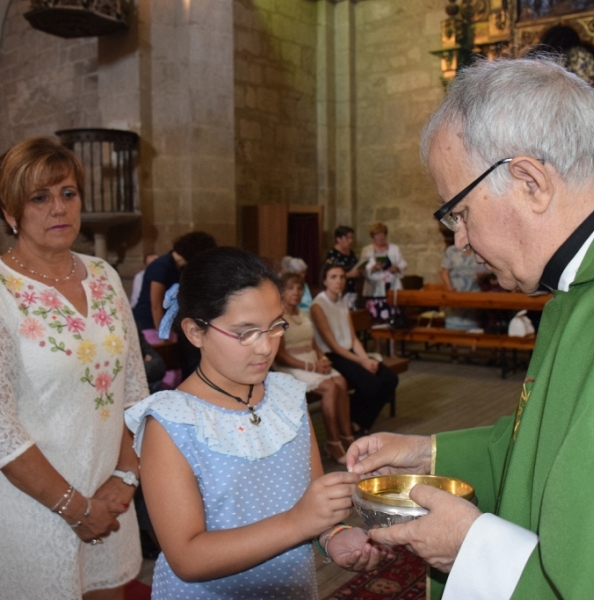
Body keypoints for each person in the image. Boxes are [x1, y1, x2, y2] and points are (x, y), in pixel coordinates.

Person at [347, 56, 594, 599]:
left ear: (530, 182)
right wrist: (427, 453)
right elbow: (548, 450)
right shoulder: (575, 289)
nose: (460, 241)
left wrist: (473, 549)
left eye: (459, 213)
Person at [124, 247, 391, 599]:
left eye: (275, 326)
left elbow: (310, 508)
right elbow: (187, 557)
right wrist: (298, 523)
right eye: (245, 332)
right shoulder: (172, 423)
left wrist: (334, 536)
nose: (265, 347)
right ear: (194, 331)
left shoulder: (287, 399)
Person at [0, 137, 148, 599]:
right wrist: (73, 507)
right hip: (35, 508)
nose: (58, 208)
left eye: (67, 193)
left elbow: (134, 387)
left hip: (110, 501)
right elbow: (1, 428)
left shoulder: (103, 274)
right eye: (39, 198)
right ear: (10, 214)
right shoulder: (2, 289)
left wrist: (125, 479)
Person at [273, 272, 354, 464]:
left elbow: (314, 343)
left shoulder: (303, 313)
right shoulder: (278, 317)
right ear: (281, 292)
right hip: (292, 366)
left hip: (313, 362)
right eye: (290, 288)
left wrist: (323, 360)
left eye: (300, 288)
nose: (296, 292)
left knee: (341, 382)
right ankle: (332, 443)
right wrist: (312, 366)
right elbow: (281, 355)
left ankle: (348, 438)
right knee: (330, 387)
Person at [311, 263, 398, 436]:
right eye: (333, 277)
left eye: (342, 277)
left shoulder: (342, 300)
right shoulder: (318, 305)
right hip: (331, 355)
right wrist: (362, 361)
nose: (339, 281)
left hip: (348, 352)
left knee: (389, 378)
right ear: (325, 281)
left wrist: (366, 359)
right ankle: (354, 422)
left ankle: (358, 421)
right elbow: (333, 345)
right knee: (371, 384)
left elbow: (353, 337)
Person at [133, 231, 217, 380]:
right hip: (149, 324)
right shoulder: (161, 266)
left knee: (177, 371)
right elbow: (156, 305)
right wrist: (163, 334)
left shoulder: (179, 267)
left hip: (167, 323)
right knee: (166, 374)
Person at [359, 222, 407, 321]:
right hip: (374, 288)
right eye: (377, 235)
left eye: (383, 234)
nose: (381, 237)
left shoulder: (394, 248)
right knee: (376, 318)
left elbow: (403, 263)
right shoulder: (367, 250)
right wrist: (374, 267)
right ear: (373, 237)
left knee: (393, 316)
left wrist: (396, 268)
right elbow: (362, 268)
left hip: (391, 287)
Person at [440, 241, 483, 330]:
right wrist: (449, 286)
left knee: (473, 323)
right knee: (454, 322)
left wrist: (483, 276)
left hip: (474, 292)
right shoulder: (451, 251)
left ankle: (473, 342)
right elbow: (445, 272)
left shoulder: (480, 251)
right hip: (456, 291)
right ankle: (453, 342)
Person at [325, 225, 361, 309]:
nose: (351, 241)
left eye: (352, 238)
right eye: (347, 238)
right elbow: (330, 273)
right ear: (338, 239)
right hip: (340, 290)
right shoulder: (332, 254)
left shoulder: (351, 253)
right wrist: (348, 275)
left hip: (352, 290)